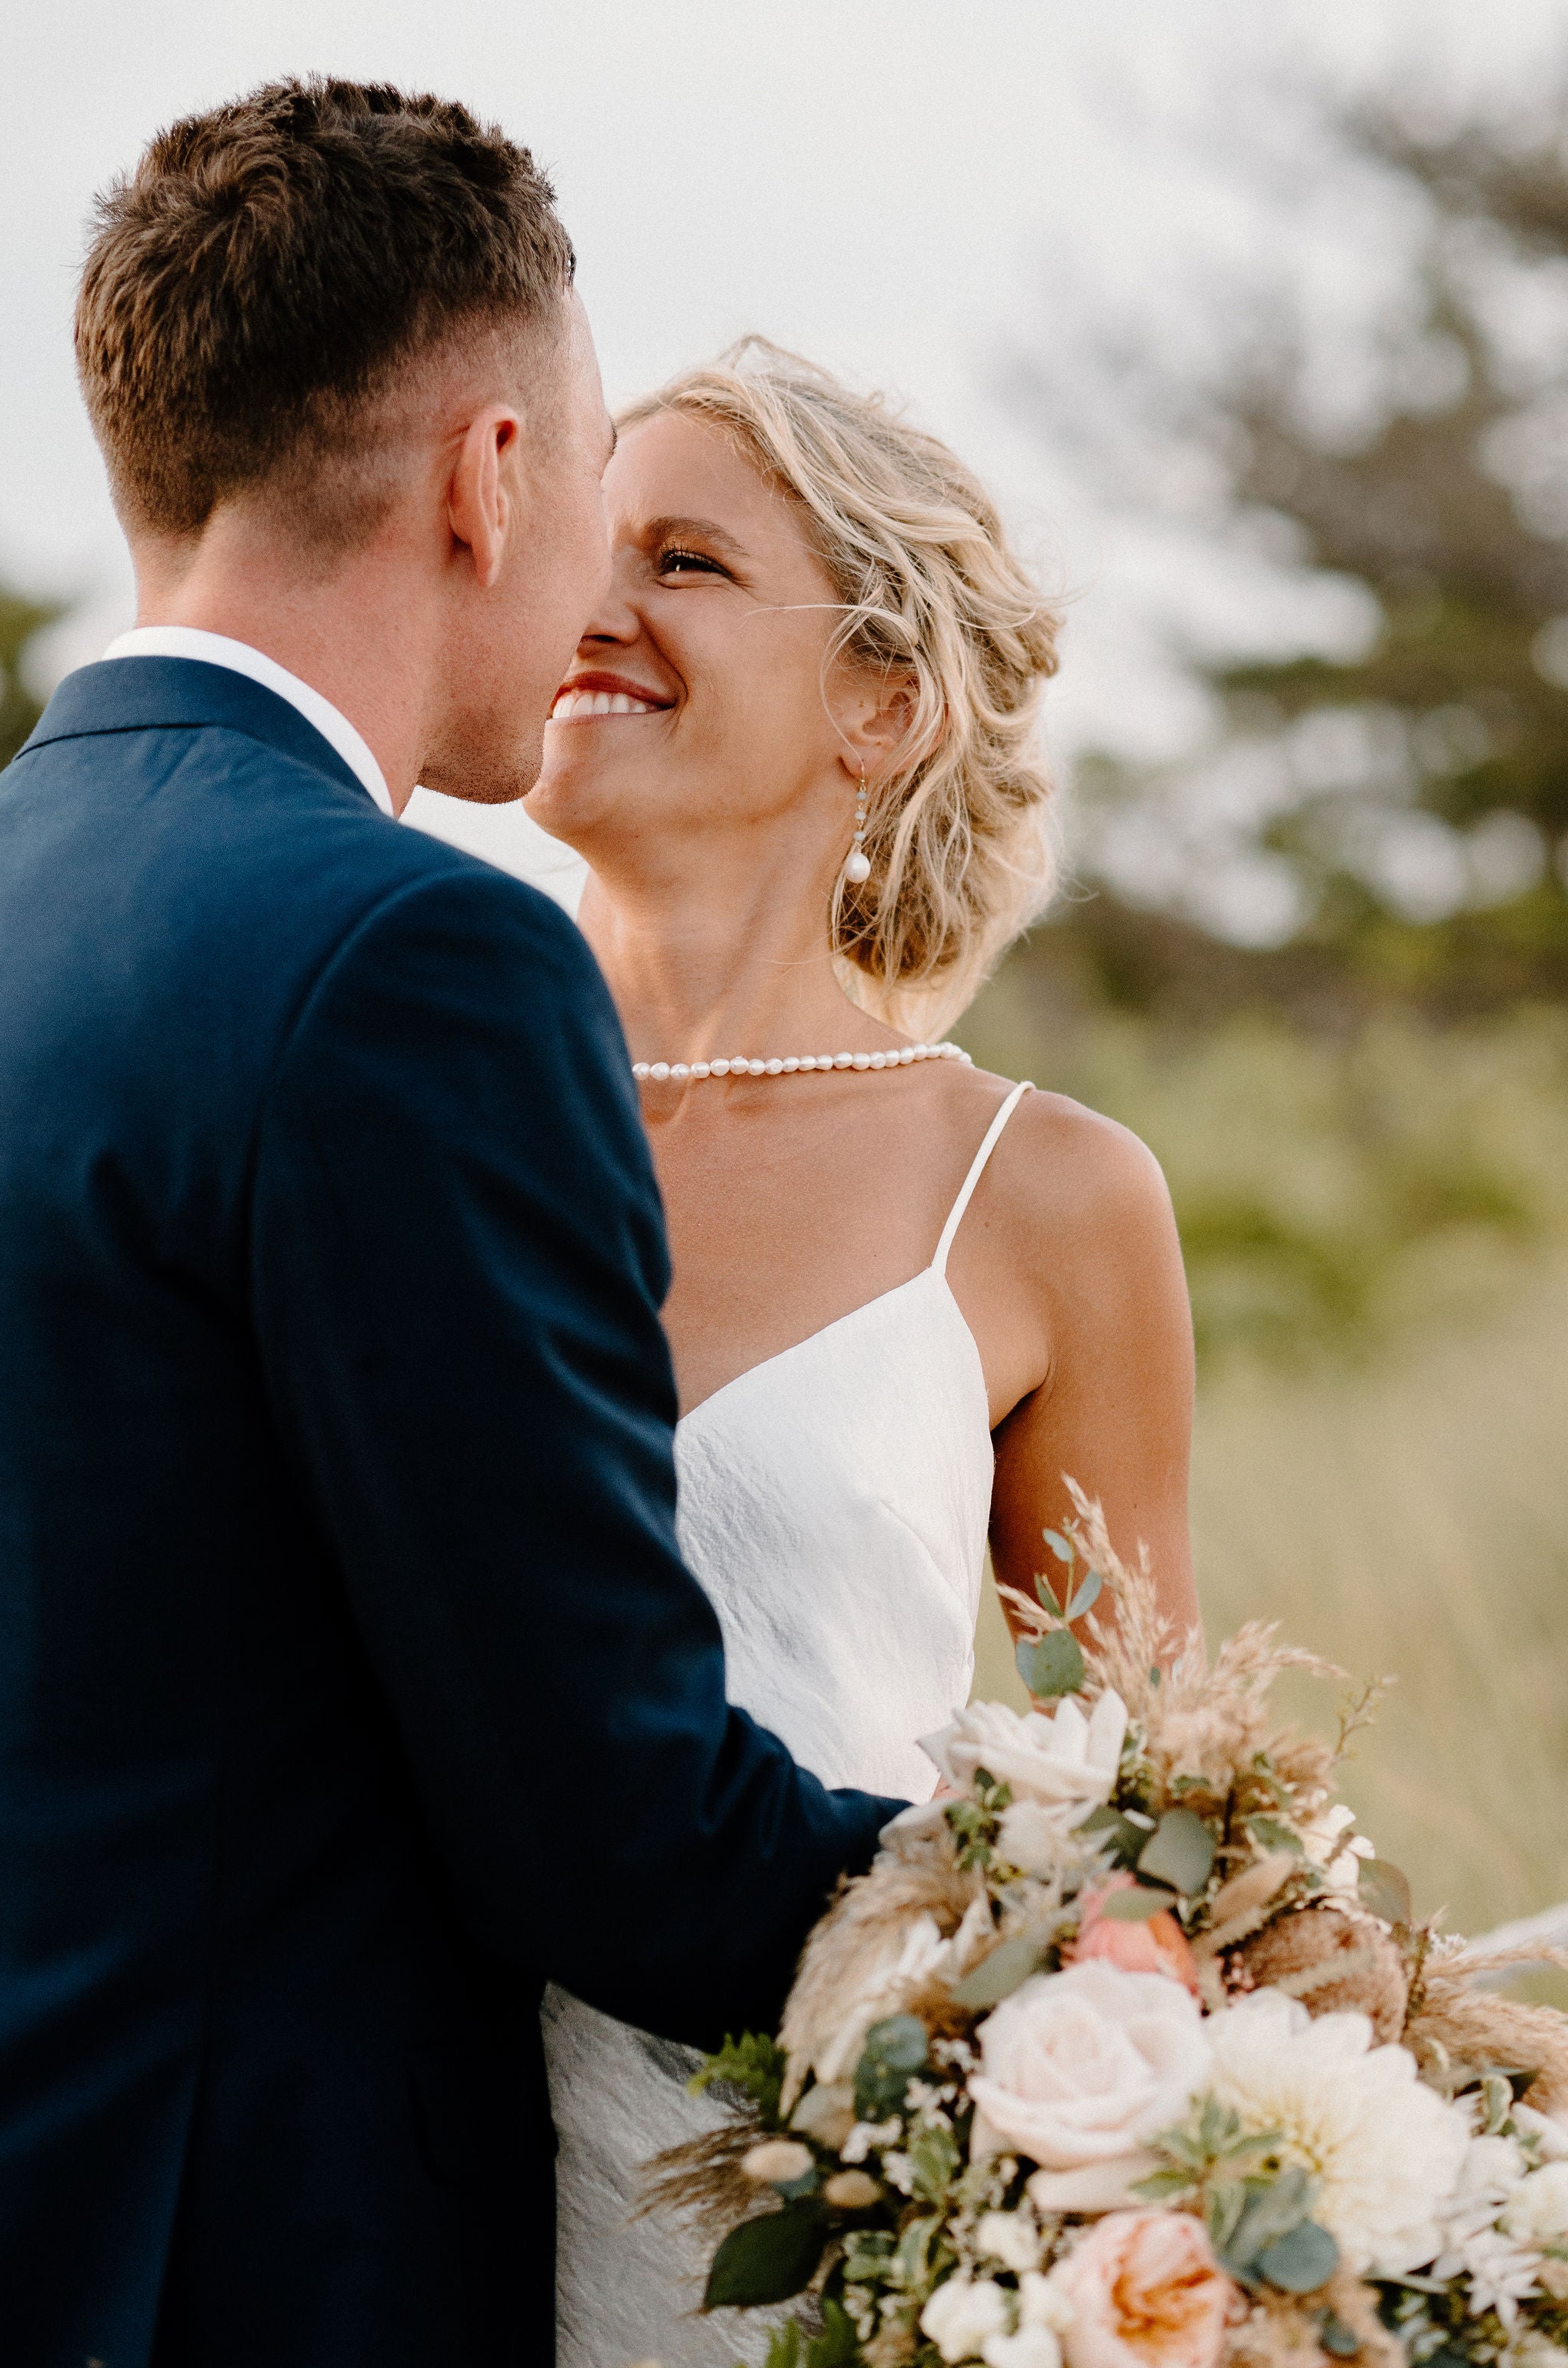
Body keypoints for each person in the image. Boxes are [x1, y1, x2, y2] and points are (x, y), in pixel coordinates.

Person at [0, 85, 904, 2368]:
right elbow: (602, 1827)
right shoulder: (411, 960)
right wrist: (1096, 1904)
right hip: (255, 2279)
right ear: (494, 481)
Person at [525, 342, 1201, 2364]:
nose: (589, 605)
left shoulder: (1048, 1194)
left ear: (881, 703)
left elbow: (1157, 1804)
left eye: (688, 563)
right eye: (578, 543)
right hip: (401, 2154)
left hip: (823, 2204)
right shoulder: (407, 1107)